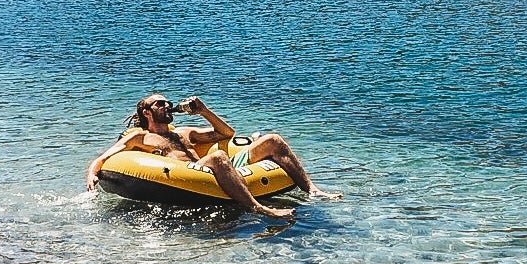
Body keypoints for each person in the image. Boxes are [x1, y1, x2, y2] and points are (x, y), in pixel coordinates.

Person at [85, 94, 341, 217]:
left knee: (273, 140)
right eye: (159, 104)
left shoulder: (185, 132)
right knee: (219, 159)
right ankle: (258, 208)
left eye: (166, 102)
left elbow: (226, 132)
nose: (166, 105)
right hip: (191, 174)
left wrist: (204, 111)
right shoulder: (139, 137)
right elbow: (105, 158)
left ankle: (313, 190)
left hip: (207, 167)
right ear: (147, 113)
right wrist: (92, 175)